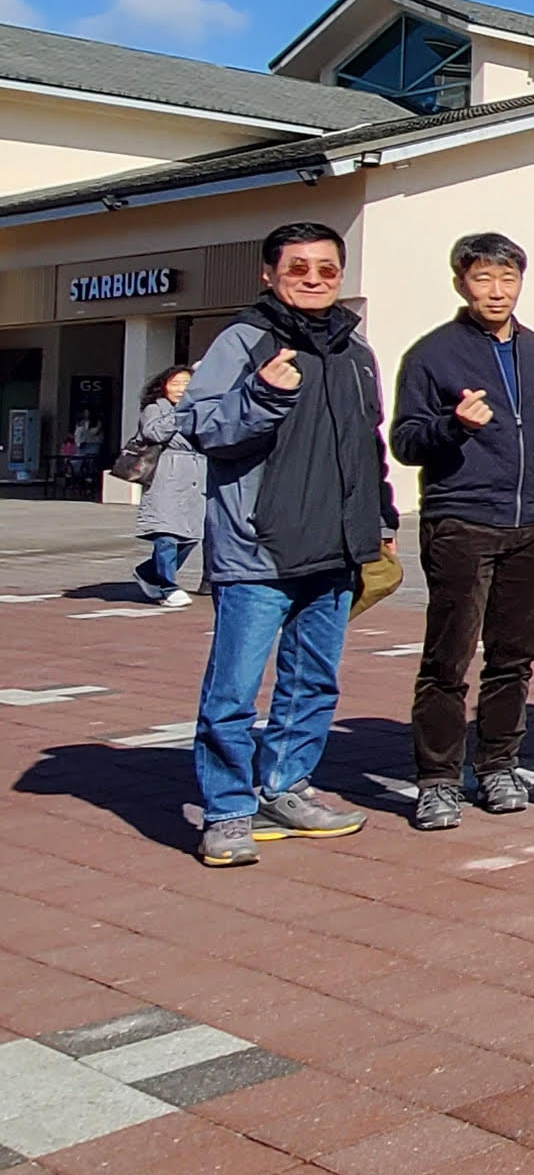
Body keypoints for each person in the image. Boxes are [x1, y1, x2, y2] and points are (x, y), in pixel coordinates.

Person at [182, 223, 395, 867]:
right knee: (234, 692)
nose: (313, 279)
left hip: (335, 549)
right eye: (298, 267)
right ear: (268, 275)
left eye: (327, 269)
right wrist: (263, 394)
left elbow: (367, 442)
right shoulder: (243, 342)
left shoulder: (355, 351)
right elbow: (200, 427)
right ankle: (226, 811)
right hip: (258, 552)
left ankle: (285, 788)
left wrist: (378, 518)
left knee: (313, 684)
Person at [387, 232, 534, 830]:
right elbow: (406, 441)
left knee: (514, 660)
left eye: (508, 279)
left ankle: (498, 765)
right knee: (448, 659)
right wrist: (452, 425)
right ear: (461, 283)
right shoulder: (432, 354)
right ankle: (437, 779)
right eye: (484, 279)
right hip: (461, 521)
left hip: (532, 524)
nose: (497, 291)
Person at [126, 366, 203, 608]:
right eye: (176, 383)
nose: (182, 390)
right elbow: (153, 432)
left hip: (195, 476)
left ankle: (148, 573)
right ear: (164, 385)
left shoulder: (199, 407)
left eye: (187, 384)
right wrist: (178, 412)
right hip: (166, 474)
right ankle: (167, 586)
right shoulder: (155, 408)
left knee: (190, 537)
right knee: (167, 534)